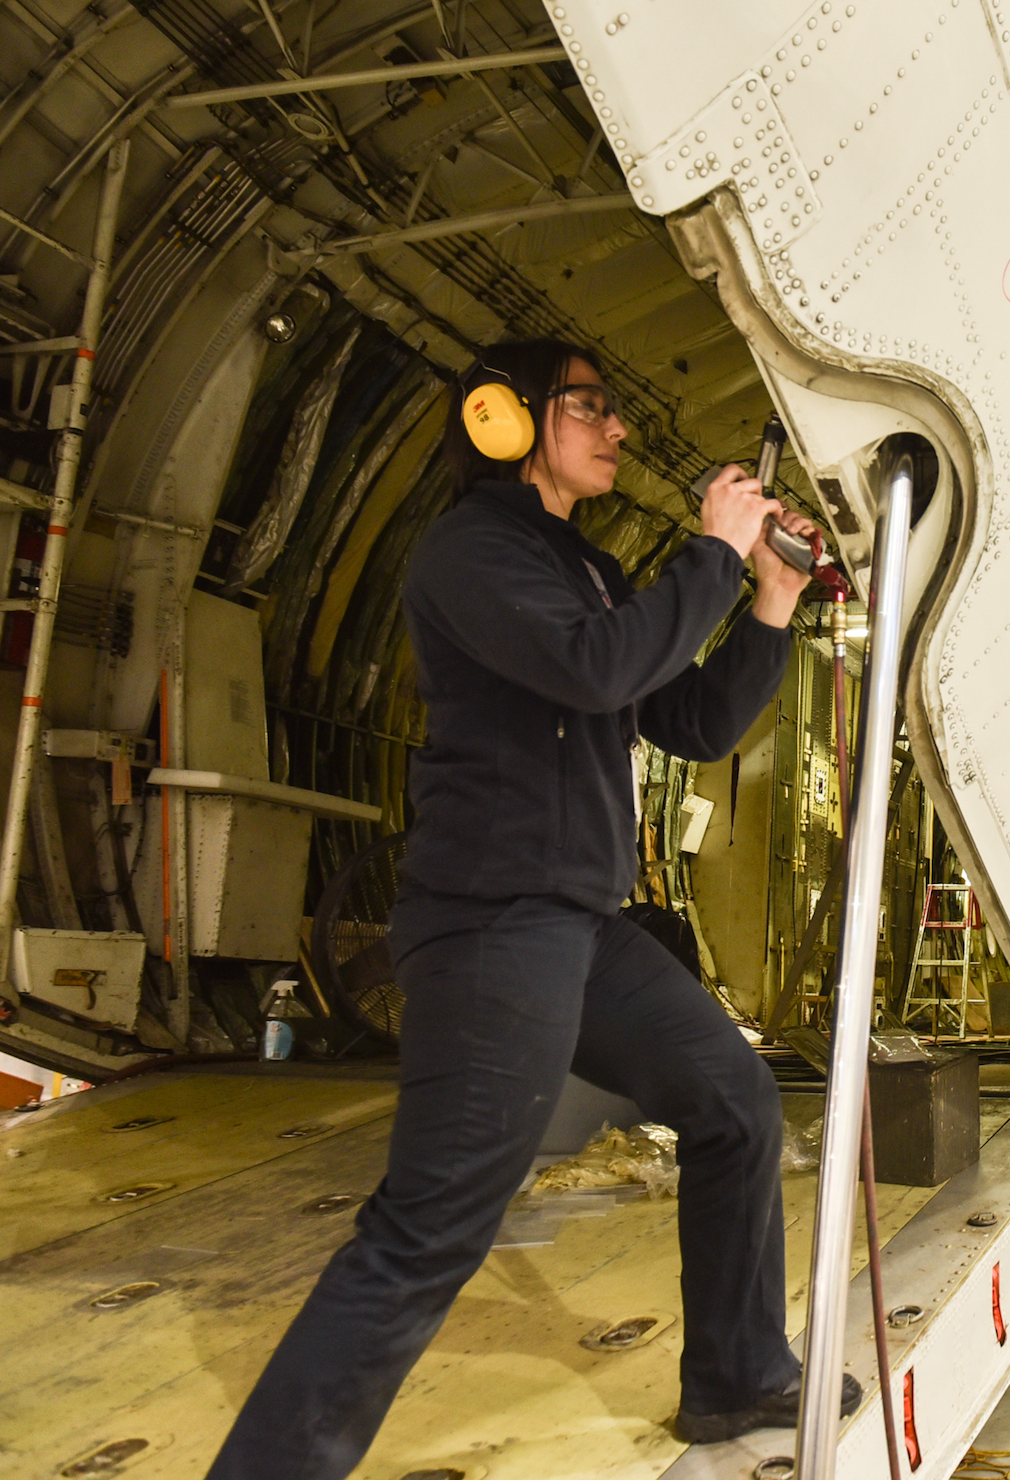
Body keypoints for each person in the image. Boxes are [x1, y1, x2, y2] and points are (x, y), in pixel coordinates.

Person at [208, 339, 857, 1479]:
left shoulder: (586, 569)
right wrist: (708, 548)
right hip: (495, 925)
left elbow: (691, 721)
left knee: (735, 1102)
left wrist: (769, 600)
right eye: (590, 407)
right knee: (433, 1223)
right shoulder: (472, 554)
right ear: (504, 418)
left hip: (580, 924)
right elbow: (599, 672)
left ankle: (738, 1373)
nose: (616, 429)